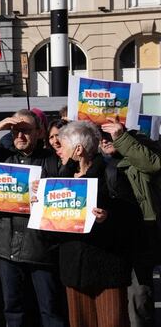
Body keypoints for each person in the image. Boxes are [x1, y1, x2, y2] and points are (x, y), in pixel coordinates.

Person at [0, 109, 71, 327]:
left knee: (50, 310)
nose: (19, 136)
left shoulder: (52, 161)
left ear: (39, 132)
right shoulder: (0, 157)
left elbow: (68, 199)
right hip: (4, 247)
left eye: (26, 131)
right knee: (13, 308)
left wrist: (48, 192)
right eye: (15, 131)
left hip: (41, 248)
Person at [54, 121, 138, 327]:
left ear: (78, 149)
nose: (58, 151)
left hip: (107, 270)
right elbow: (50, 229)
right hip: (73, 270)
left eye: (61, 146)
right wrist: (41, 202)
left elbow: (132, 221)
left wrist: (107, 218)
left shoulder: (112, 174)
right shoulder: (59, 179)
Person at [100, 118, 161, 327]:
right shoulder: (92, 160)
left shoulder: (140, 149)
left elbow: (152, 165)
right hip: (107, 238)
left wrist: (121, 138)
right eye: (101, 135)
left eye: (110, 134)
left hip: (140, 234)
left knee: (138, 296)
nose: (106, 140)